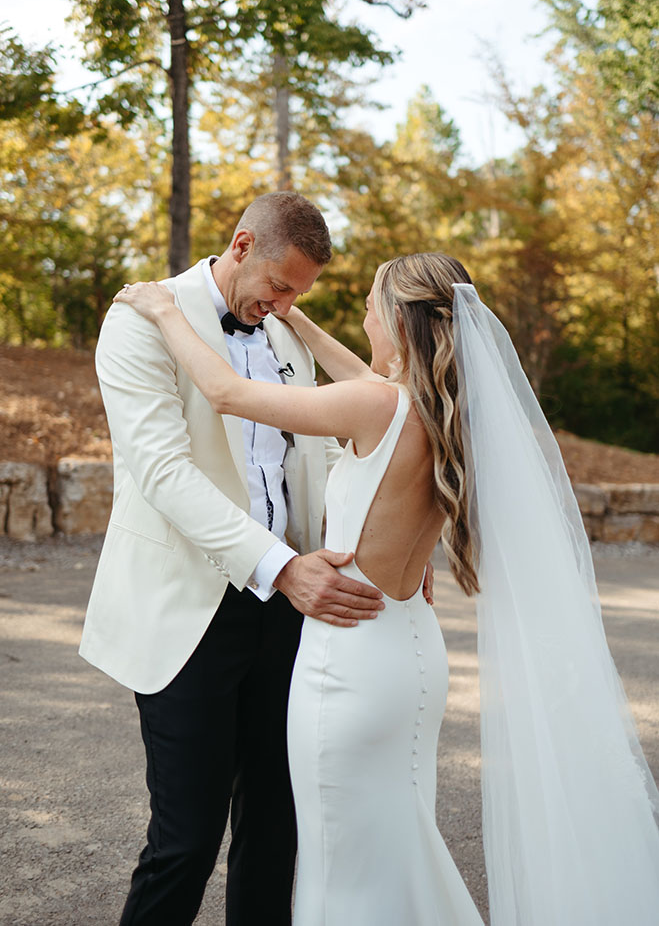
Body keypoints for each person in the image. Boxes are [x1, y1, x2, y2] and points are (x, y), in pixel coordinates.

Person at [115, 251, 659, 925]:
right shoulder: (441, 410)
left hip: (348, 660)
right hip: (412, 656)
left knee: (339, 866)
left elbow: (226, 394)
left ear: (397, 318)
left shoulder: (374, 404)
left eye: (371, 306)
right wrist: (302, 323)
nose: (364, 319)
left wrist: (165, 311)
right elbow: (366, 379)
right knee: (398, 848)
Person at [79, 192, 388, 926]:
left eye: (298, 293)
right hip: (187, 609)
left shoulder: (282, 329)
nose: (282, 303)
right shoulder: (140, 319)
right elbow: (162, 472)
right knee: (185, 838)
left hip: (285, 614)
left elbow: (312, 456)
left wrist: (363, 549)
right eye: (279, 285)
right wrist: (280, 565)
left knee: (276, 827)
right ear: (242, 245)